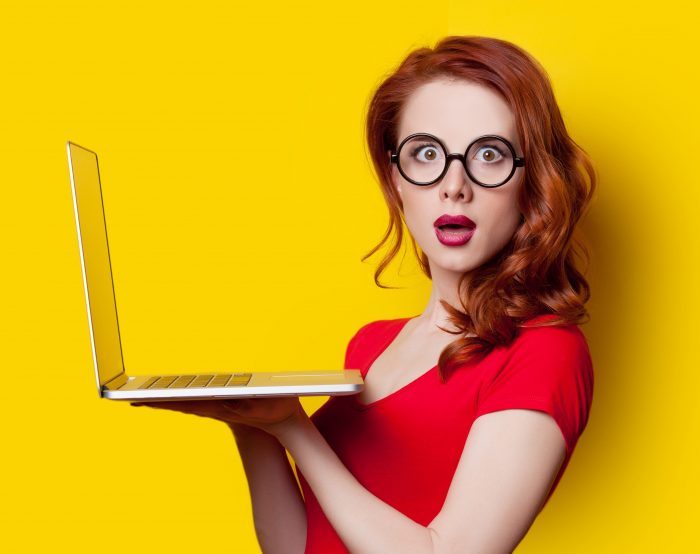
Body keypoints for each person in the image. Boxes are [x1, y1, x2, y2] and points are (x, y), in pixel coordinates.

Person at [132, 36, 596, 553]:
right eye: (426, 154)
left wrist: (296, 430)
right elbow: (297, 547)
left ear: (533, 180)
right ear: (396, 178)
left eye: (490, 154)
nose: (454, 185)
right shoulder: (369, 347)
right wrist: (250, 425)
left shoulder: (546, 353)